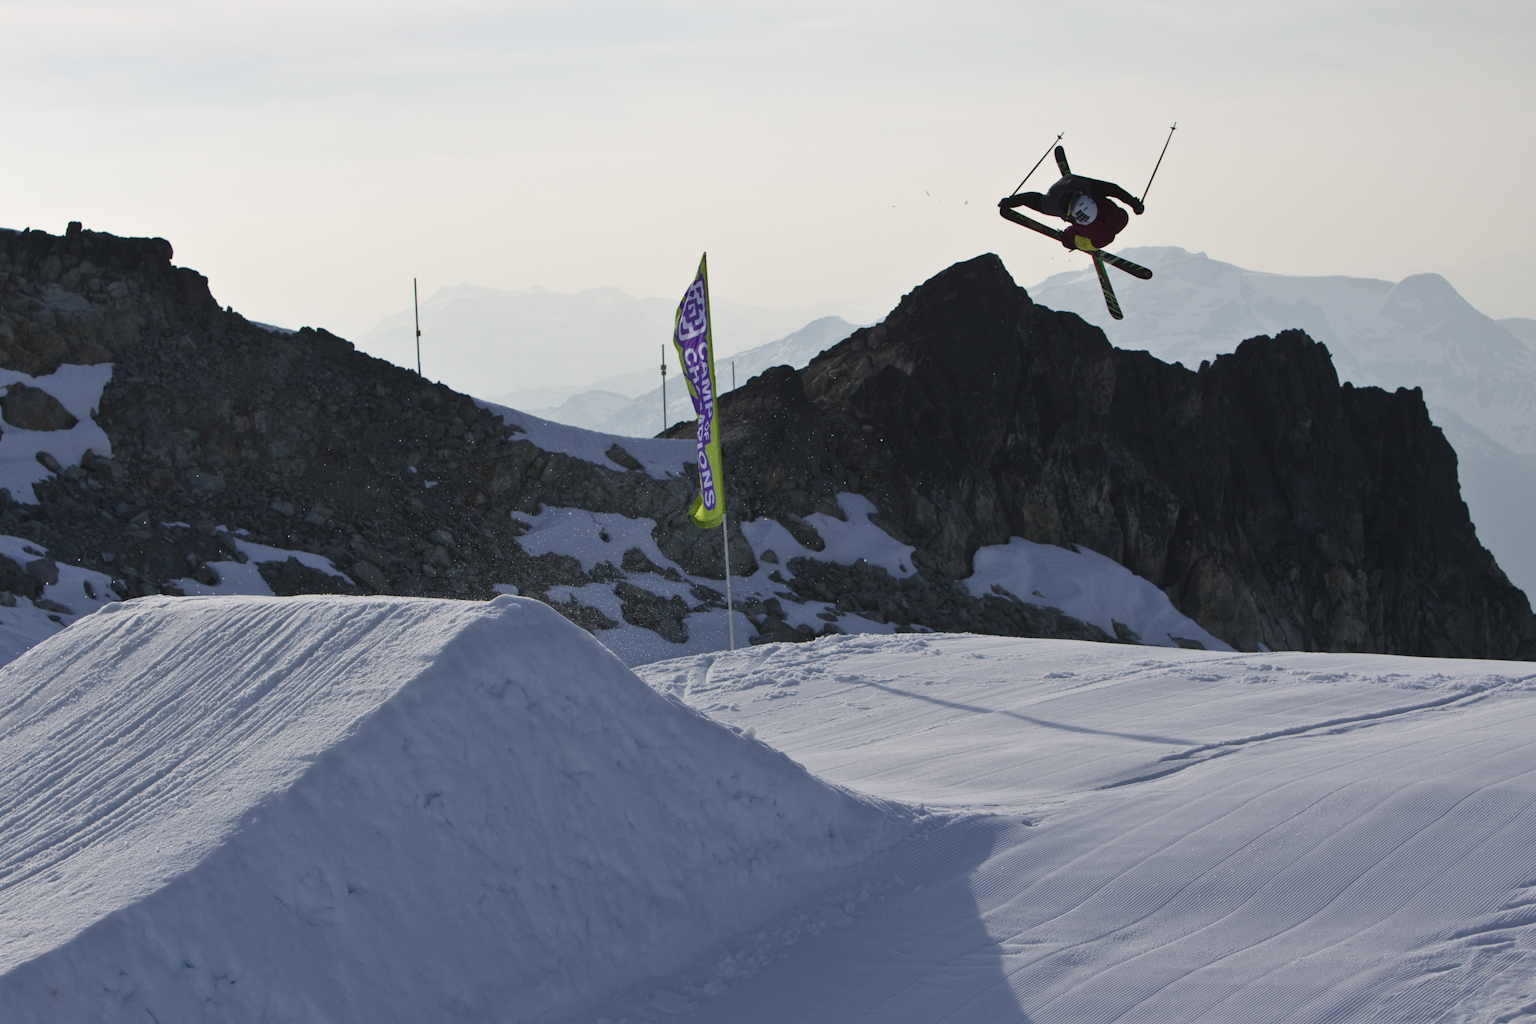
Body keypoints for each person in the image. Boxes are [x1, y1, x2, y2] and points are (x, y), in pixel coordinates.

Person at [1000, 172, 1144, 251]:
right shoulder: (1052, 205)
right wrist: (1009, 202)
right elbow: (1030, 199)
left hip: (1078, 188)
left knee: (1120, 219)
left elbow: (1113, 189)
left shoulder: (1087, 187)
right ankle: (1071, 237)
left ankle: (1079, 236)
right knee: (1106, 237)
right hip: (1071, 203)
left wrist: (1134, 203)